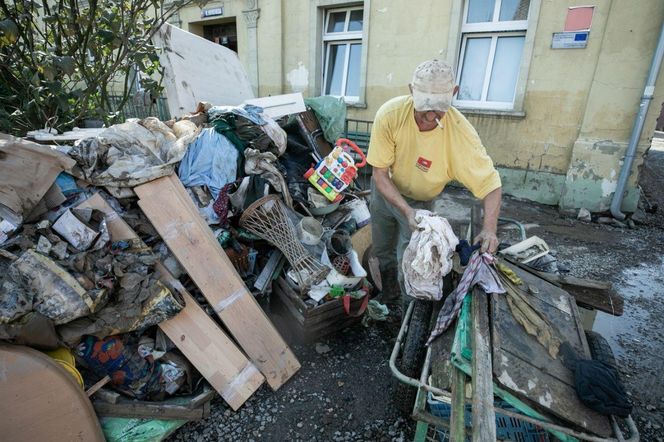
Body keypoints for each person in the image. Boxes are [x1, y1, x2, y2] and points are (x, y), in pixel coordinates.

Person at [367, 59, 502, 306]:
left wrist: (489, 228)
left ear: (454, 93)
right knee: (382, 249)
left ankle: (408, 318)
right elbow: (379, 174)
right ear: (411, 91)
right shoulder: (390, 115)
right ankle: (389, 295)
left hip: (420, 203)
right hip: (384, 191)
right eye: (424, 107)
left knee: (413, 261)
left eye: (438, 109)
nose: (430, 116)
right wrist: (405, 211)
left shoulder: (461, 134)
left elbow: (491, 184)